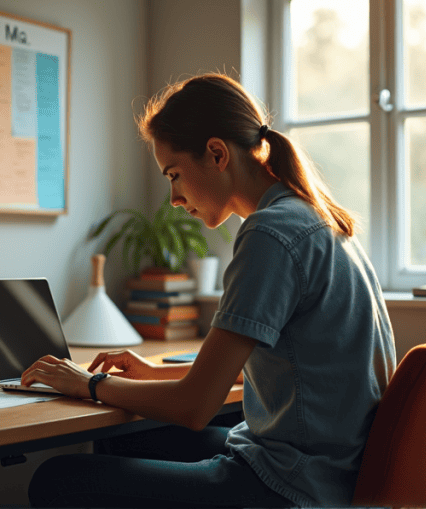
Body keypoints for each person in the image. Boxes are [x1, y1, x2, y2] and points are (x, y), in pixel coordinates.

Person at [21, 73, 397, 508]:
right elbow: (273, 368)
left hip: (291, 486)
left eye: (174, 174)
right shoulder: (316, 220)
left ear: (217, 154)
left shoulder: (270, 235)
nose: (174, 198)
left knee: (58, 479)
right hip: (331, 471)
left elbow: (194, 407)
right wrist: (157, 373)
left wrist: (89, 383)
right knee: (128, 441)